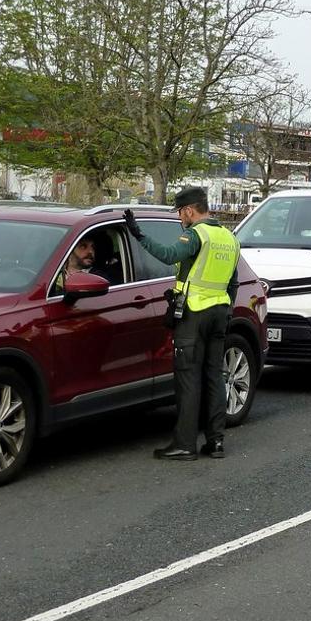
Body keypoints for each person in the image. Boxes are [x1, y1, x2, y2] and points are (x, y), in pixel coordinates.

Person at [123, 187, 240, 461]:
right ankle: (216, 442)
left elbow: (167, 254)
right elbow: (233, 282)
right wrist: (227, 309)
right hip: (220, 313)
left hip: (194, 315)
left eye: (180, 212)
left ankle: (185, 444)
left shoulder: (196, 234)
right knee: (214, 377)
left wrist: (138, 233)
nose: (180, 218)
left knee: (188, 379)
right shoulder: (229, 238)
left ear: (189, 210)